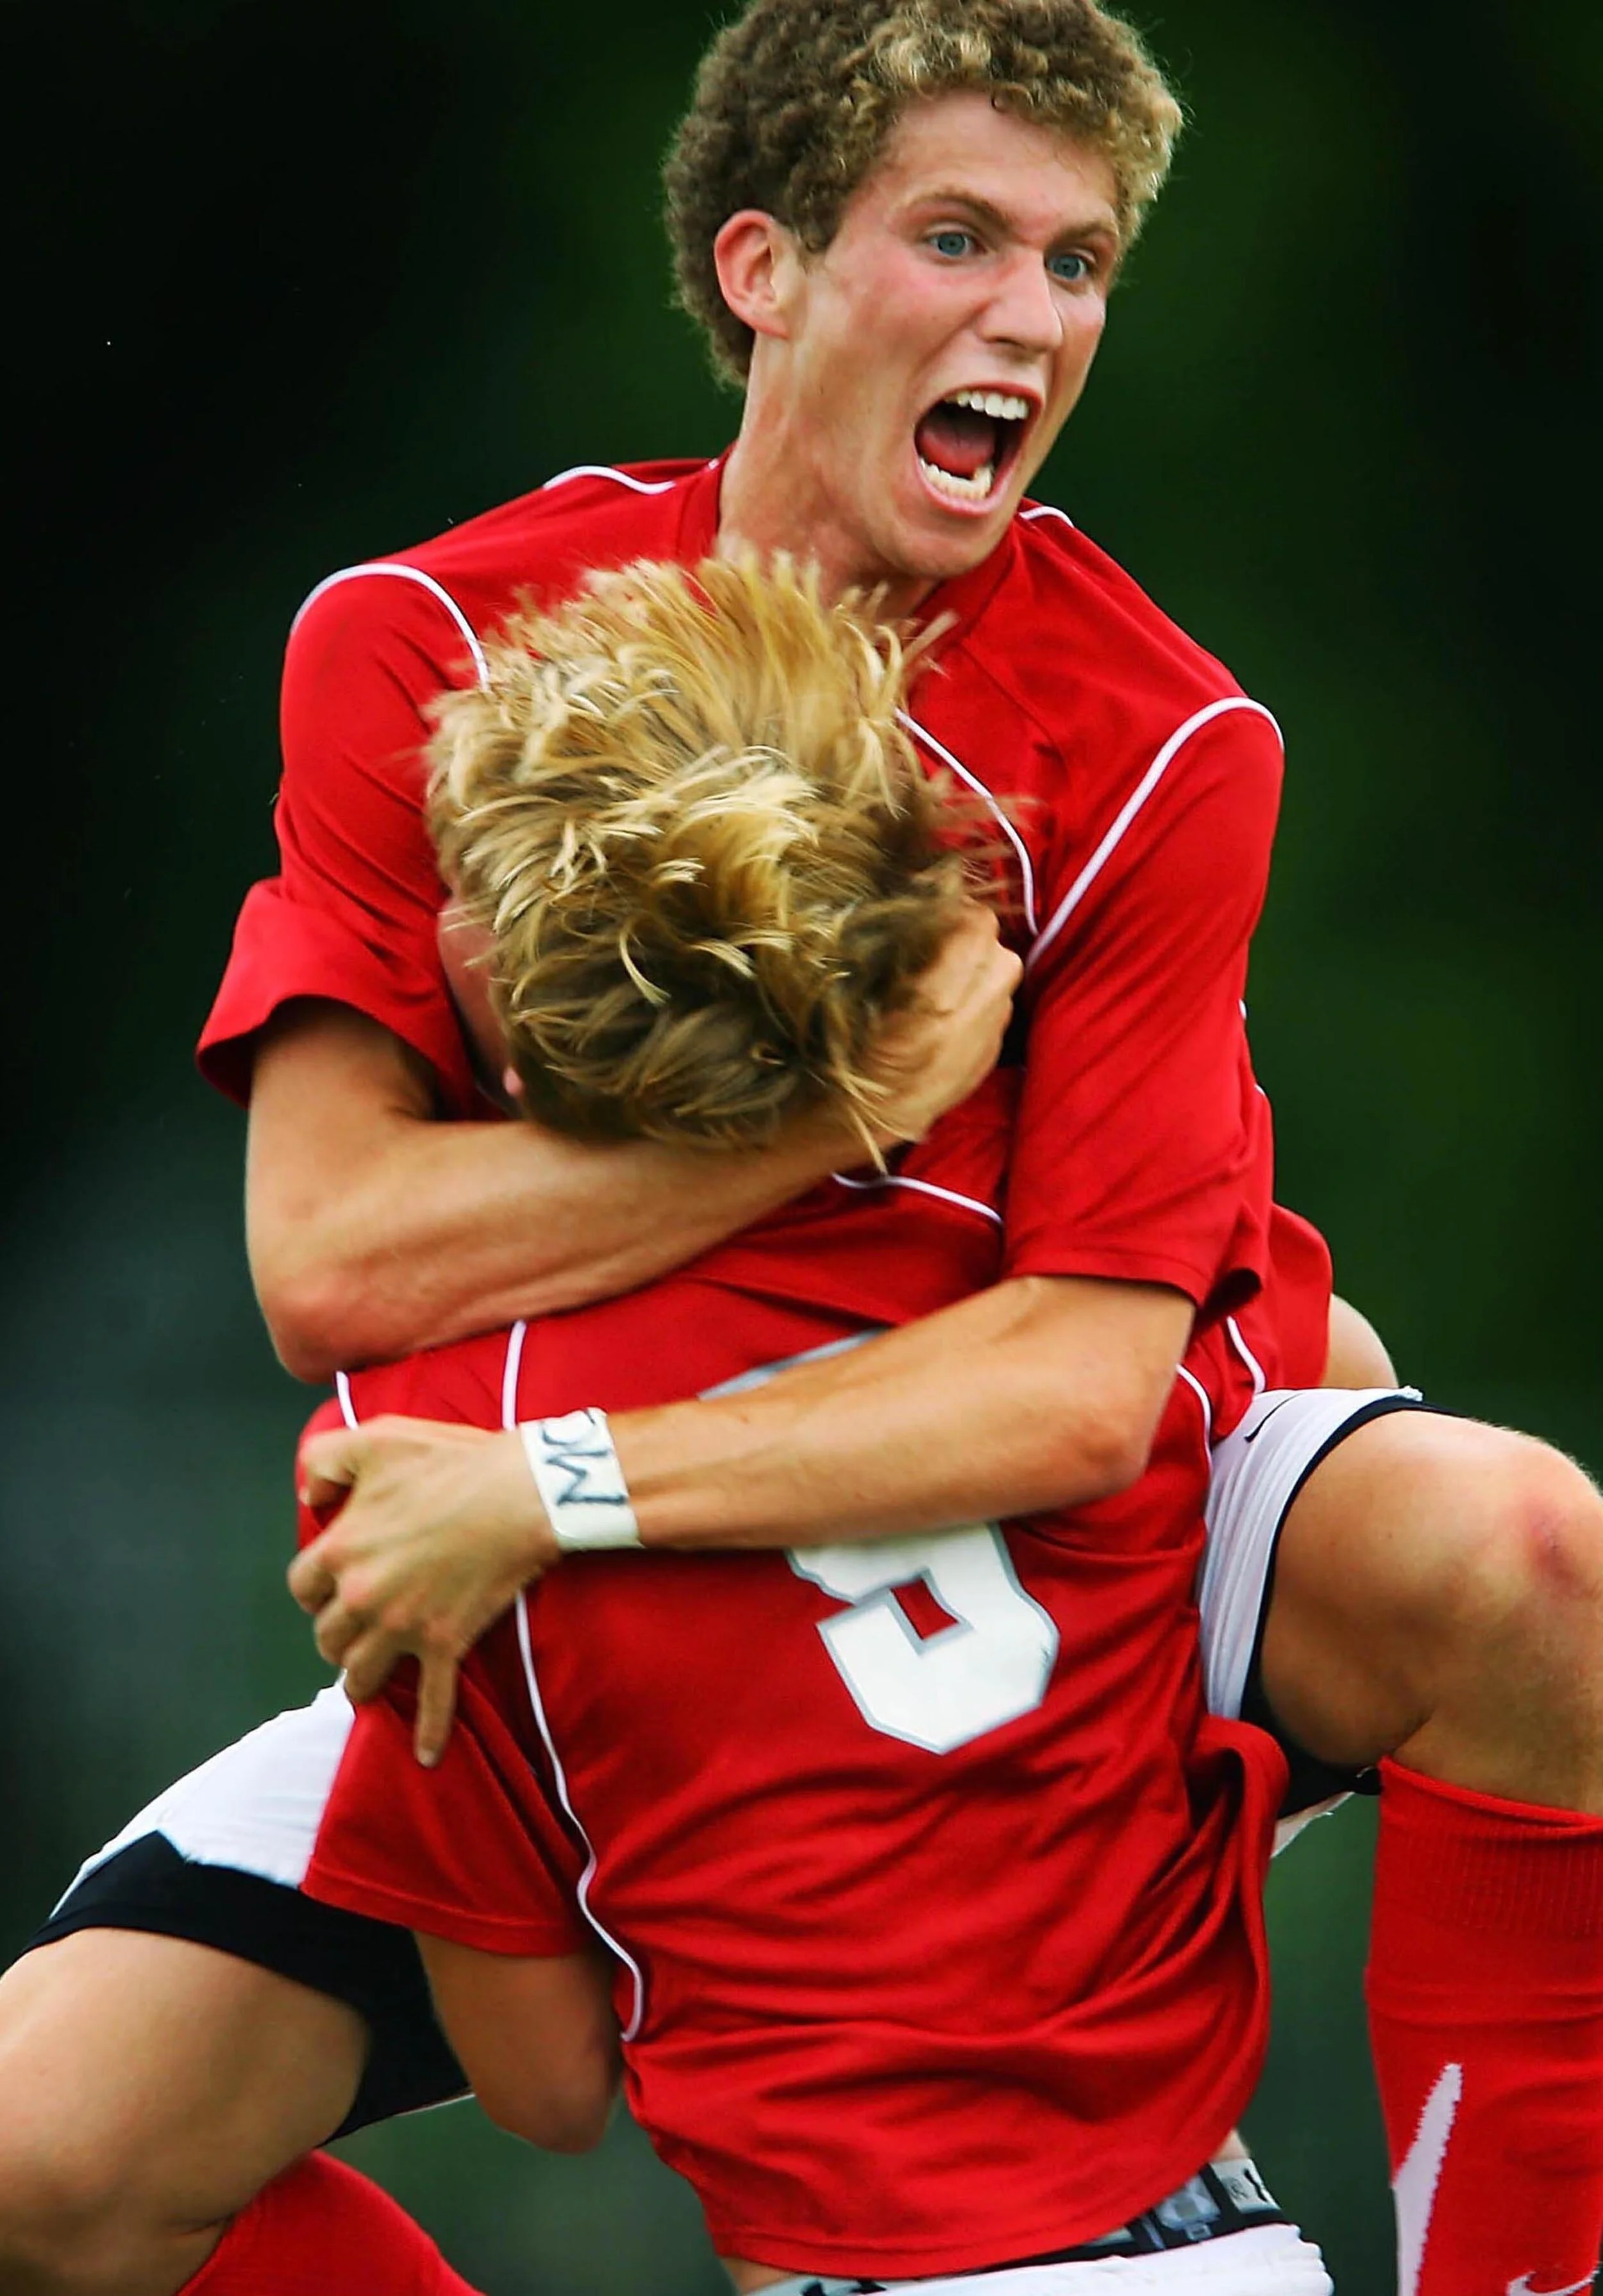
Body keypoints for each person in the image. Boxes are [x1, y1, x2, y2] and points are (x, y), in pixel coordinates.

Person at [1, 1, 1598, 2290]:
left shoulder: (1163, 736)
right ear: (759, 267)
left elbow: (1070, 1382)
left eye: (1076, 263)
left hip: (1035, 1460)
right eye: (958, 236)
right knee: (43, 2163)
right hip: (602, 1550)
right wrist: (857, 1106)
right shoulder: (424, 643)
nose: (1030, 317)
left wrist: (548, 1469)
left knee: (1520, 1552)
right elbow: (326, 1254)